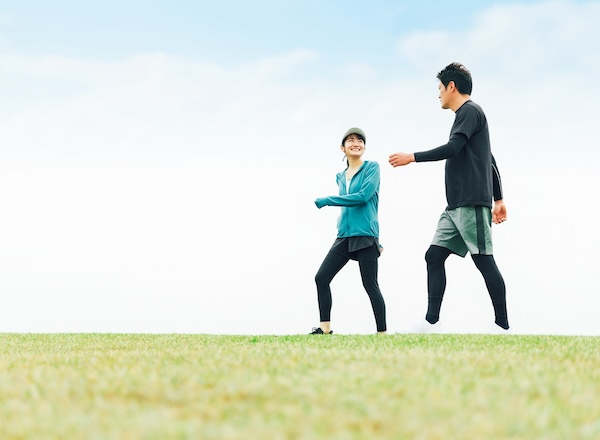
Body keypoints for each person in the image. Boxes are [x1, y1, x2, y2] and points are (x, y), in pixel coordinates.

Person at [389, 62, 509, 330]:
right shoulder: (465, 116)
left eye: (440, 88)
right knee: (433, 256)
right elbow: (489, 158)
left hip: (472, 202)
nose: (439, 94)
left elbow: (454, 148)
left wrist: (412, 157)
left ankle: (502, 325)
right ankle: (431, 323)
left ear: (451, 86)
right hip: (454, 206)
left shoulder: (470, 111)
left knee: (484, 261)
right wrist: (500, 200)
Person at [311, 127, 387, 335]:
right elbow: (347, 207)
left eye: (360, 140)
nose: (356, 143)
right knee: (321, 278)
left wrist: (328, 200)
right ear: (342, 148)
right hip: (344, 236)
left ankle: (382, 333)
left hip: (365, 235)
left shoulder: (372, 167)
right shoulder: (340, 176)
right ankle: (324, 329)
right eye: (351, 140)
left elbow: (363, 197)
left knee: (370, 284)